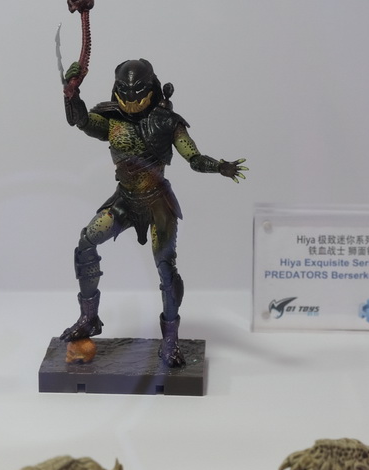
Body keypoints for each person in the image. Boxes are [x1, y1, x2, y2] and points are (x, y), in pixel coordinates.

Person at [62, 59, 246, 367]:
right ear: (116, 89)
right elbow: (81, 121)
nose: (132, 100)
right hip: (124, 200)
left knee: (166, 268)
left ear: (152, 89)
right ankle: (89, 318)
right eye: (125, 92)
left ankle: (171, 341)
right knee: (86, 244)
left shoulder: (167, 122)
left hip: (158, 203)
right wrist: (72, 95)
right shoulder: (111, 120)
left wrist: (219, 166)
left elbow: (194, 157)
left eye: (138, 92)